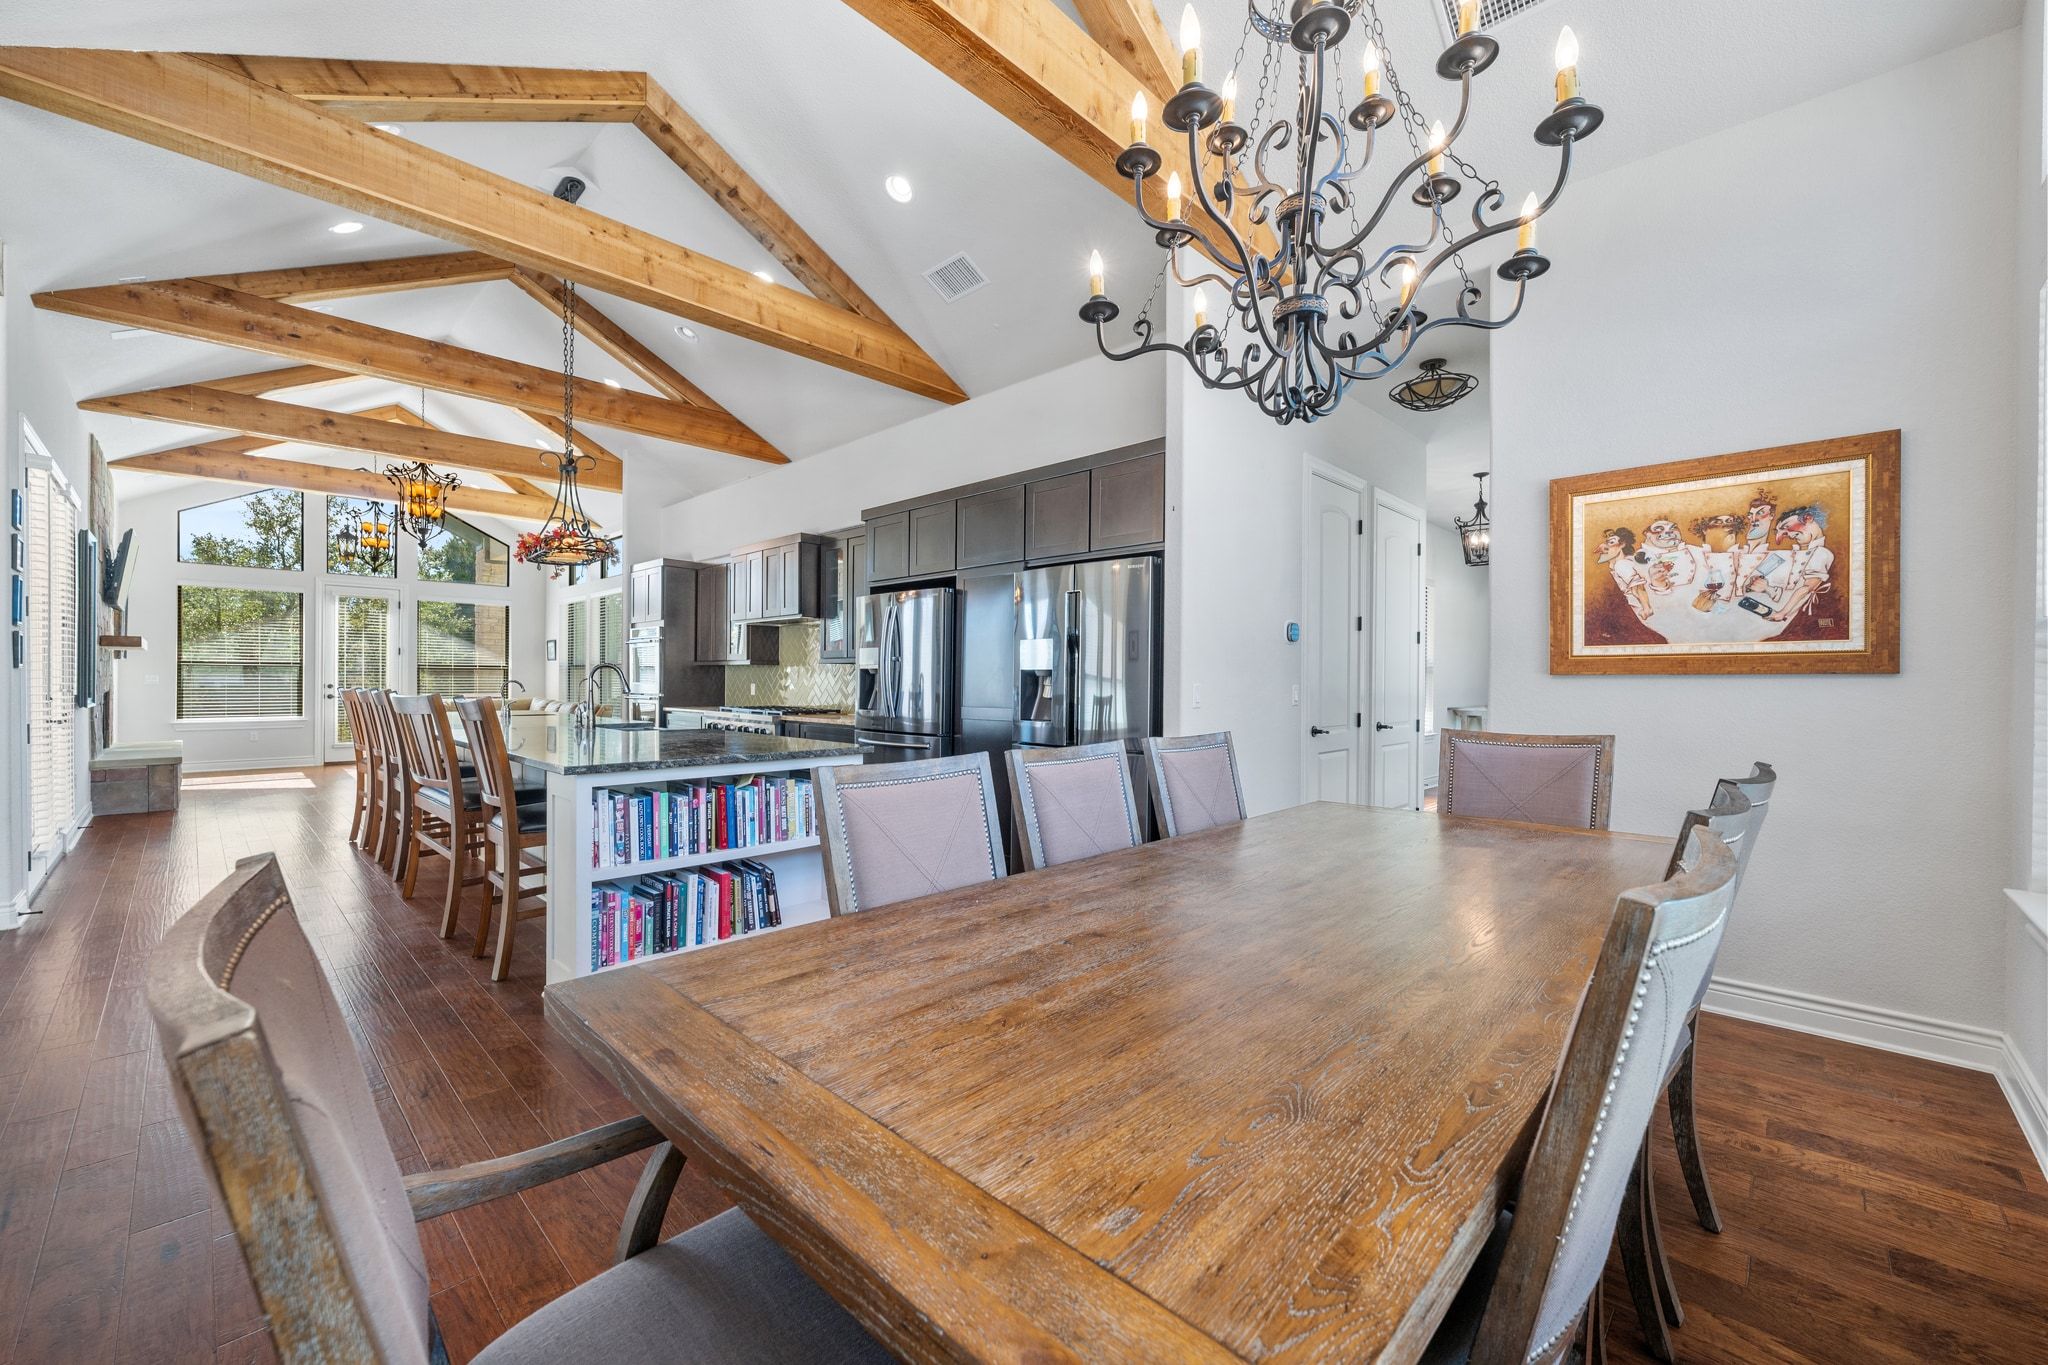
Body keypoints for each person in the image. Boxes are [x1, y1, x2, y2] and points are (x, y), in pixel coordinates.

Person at [1757, 505, 1833, 623]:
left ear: (1808, 518)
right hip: (1768, 605)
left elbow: (1806, 588)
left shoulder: (1821, 553)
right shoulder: (1786, 554)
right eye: (1785, 533)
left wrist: (1782, 613)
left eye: (1787, 527)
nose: (1790, 536)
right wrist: (1765, 587)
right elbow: (1759, 575)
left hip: (1787, 614)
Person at [1640, 516, 1709, 601]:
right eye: (1659, 529)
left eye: (1673, 528)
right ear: (1647, 534)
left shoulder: (1697, 551)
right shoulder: (1638, 560)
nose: (1669, 532)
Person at [1594, 526, 1653, 621]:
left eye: (1611, 542)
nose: (1606, 547)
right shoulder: (1623, 563)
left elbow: (1639, 587)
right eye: (1606, 544)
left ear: (1622, 545)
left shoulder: (1621, 565)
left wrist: (1646, 608)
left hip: (1642, 608)